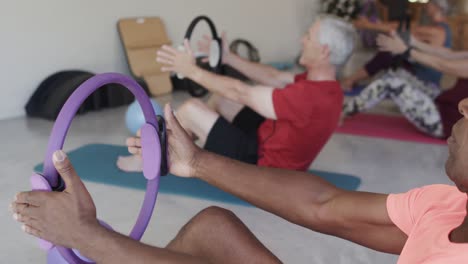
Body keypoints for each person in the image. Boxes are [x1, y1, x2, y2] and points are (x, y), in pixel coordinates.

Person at [11, 98, 468, 263]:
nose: (463, 107)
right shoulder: (448, 205)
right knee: (216, 229)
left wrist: (85, 237)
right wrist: (197, 163)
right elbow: (325, 205)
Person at [118, 16, 356, 172]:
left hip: (265, 168)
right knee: (222, 99)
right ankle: (181, 147)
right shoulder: (327, 87)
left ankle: (148, 159)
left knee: (191, 109)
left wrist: (188, 69)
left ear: (324, 51)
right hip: (269, 140)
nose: (301, 40)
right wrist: (228, 57)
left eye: (309, 37)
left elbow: (242, 91)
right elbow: (273, 76)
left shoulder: (308, 97)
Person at [343, 30, 468, 139]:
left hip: (445, 124)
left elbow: (443, 65)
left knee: (390, 83)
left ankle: (343, 113)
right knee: (396, 75)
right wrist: (413, 42)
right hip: (442, 104)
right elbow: (448, 55)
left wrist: (406, 51)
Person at [343, 0, 452, 91]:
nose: (426, 5)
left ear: (436, 7)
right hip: (423, 68)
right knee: (391, 52)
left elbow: (402, 30)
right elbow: (404, 27)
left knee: (388, 53)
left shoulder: (436, 30)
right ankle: (354, 79)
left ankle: (351, 80)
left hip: (426, 77)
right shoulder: (440, 27)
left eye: (429, 3)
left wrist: (368, 25)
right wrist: (371, 25)